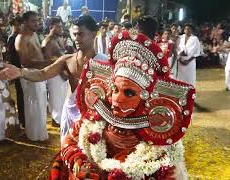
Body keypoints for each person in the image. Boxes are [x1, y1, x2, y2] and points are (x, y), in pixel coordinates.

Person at [48, 31, 195, 179]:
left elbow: (165, 170)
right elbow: (70, 140)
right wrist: (79, 161)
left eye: (129, 93)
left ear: (145, 98)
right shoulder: (98, 115)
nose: (116, 99)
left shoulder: (156, 132)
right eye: (115, 89)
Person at [0, 15, 107, 141]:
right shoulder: (67, 60)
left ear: (93, 34)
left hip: (92, 115)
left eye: (81, 34)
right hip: (70, 113)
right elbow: (42, 74)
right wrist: (21, 72)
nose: (76, 38)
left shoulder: (104, 62)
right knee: (68, 152)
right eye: (75, 34)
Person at [14, 11, 52, 141]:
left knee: (41, 105)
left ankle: (40, 133)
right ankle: (33, 135)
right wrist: (47, 62)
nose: (37, 23)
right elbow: (24, 62)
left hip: (39, 73)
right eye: (33, 21)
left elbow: (37, 52)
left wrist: (46, 55)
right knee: (33, 106)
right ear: (25, 22)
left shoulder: (35, 34)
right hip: (29, 75)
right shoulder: (21, 38)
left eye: (37, 20)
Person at [42, 17, 67, 127]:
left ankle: (59, 119)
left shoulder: (57, 39)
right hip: (55, 74)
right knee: (55, 97)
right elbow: (48, 61)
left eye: (61, 26)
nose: (61, 29)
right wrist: (61, 73)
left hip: (62, 73)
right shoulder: (47, 41)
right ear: (51, 27)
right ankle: (56, 120)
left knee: (61, 97)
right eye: (58, 26)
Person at [7, 15, 25, 128]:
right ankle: (22, 119)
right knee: (20, 93)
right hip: (17, 69)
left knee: (22, 93)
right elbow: (13, 56)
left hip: (21, 69)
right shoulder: (12, 38)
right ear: (12, 26)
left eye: (19, 24)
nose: (18, 27)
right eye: (16, 25)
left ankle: (24, 118)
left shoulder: (19, 37)